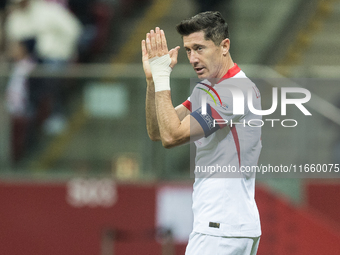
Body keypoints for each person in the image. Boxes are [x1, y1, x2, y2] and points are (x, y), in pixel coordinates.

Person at [142, 11, 262, 255]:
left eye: (199, 48)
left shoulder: (234, 91)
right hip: (230, 228)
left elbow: (171, 136)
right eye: (188, 50)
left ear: (224, 46)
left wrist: (164, 75)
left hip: (220, 229)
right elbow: (158, 131)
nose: (193, 58)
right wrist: (154, 81)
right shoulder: (210, 89)